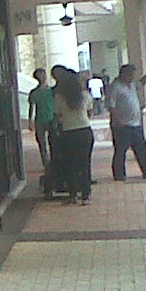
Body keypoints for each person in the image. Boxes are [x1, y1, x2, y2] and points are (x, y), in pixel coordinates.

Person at [107, 61, 146, 179]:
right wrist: (117, 120)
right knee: (120, 151)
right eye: (130, 74)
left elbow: (141, 83)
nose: (132, 77)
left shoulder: (131, 85)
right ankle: (119, 174)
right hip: (122, 126)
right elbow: (111, 106)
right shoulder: (115, 87)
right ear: (123, 74)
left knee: (142, 150)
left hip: (135, 124)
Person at [52, 68, 94, 204]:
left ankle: (73, 194)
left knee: (70, 164)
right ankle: (86, 195)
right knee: (85, 163)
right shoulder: (85, 95)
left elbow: (57, 117)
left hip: (68, 132)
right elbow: (90, 114)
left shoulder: (59, 97)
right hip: (85, 131)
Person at [26, 68, 56, 172]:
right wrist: (30, 121)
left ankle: (54, 161)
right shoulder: (34, 92)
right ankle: (46, 163)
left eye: (43, 74)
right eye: (40, 75)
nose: (43, 77)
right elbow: (31, 107)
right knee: (42, 143)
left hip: (52, 119)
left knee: (53, 142)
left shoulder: (52, 91)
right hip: (40, 120)